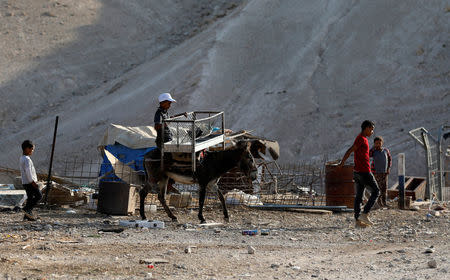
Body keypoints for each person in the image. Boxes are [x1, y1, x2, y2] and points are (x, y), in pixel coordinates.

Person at [338, 120, 380, 227]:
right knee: (376, 191)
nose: (372, 132)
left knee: (359, 196)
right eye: (371, 129)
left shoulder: (362, 139)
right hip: (364, 171)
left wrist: (342, 163)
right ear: (366, 128)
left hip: (358, 171)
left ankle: (358, 221)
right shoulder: (361, 139)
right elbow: (351, 150)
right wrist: (342, 163)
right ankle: (365, 213)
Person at [20, 140, 42, 221]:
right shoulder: (27, 159)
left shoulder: (22, 158)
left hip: (25, 182)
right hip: (29, 182)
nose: (32, 151)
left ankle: (27, 216)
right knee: (39, 196)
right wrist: (32, 182)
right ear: (26, 149)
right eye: (31, 149)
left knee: (30, 198)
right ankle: (26, 209)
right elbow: (28, 172)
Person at [369, 136, 392, 207]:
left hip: (384, 172)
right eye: (376, 143)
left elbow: (389, 159)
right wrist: (373, 147)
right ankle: (378, 202)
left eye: (379, 143)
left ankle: (384, 202)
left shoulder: (386, 150)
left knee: (384, 187)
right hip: (376, 172)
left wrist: (388, 168)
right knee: (377, 188)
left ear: (382, 143)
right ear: (374, 144)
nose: (378, 144)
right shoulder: (373, 151)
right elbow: (369, 154)